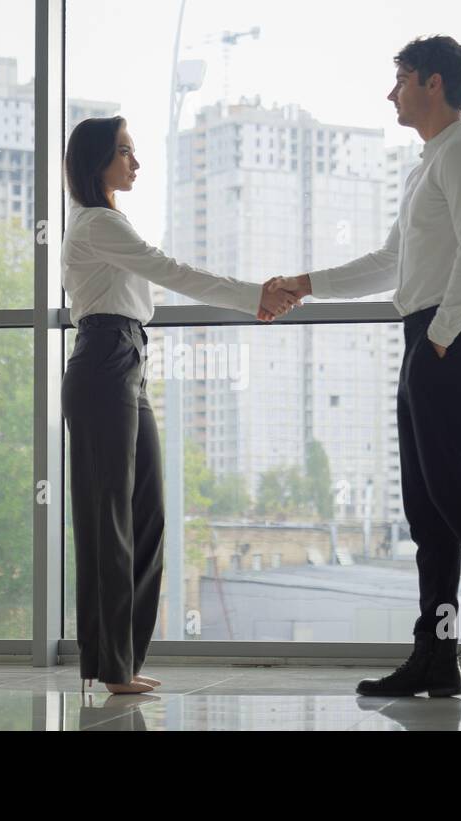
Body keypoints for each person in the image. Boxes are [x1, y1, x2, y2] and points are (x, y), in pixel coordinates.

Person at [267, 35, 461, 703]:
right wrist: (306, 282)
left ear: (434, 84)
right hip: (427, 339)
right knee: (429, 511)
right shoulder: (429, 165)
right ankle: (437, 657)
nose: (391, 92)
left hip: (446, 338)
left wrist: (436, 340)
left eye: (400, 78)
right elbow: (387, 262)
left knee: (455, 495)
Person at [63, 115, 303, 695]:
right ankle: (112, 665)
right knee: (111, 520)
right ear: (97, 162)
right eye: (125, 152)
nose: (135, 163)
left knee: (147, 514)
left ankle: (118, 660)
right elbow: (173, 273)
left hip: (125, 363)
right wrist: (256, 296)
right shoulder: (98, 224)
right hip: (102, 362)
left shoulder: (107, 222)